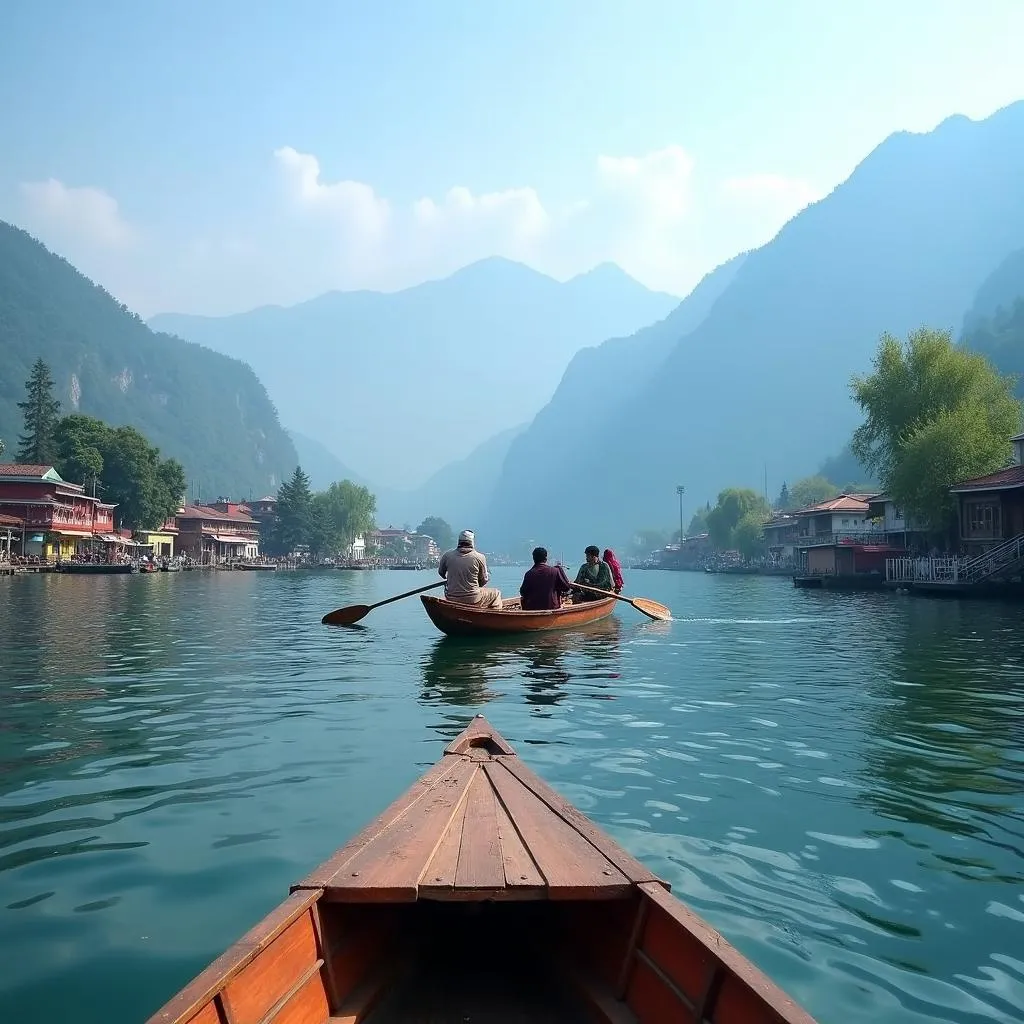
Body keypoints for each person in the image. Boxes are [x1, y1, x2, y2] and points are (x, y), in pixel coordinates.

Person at [438, 529, 502, 609]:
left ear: (459, 542)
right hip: (473, 599)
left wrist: (450, 579)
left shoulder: (447, 555)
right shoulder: (480, 557)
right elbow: (484, 580)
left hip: (451, 598)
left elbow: (441, 573)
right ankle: (494, 617)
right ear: (472, 542)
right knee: (496, 593)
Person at [519, 546, 572, 610]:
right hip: (551, 607)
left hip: (532, 609)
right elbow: (566, 588)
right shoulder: (555, 571)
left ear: (533, 559)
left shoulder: (529, 574)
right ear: (546, 558)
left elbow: (522, 592)